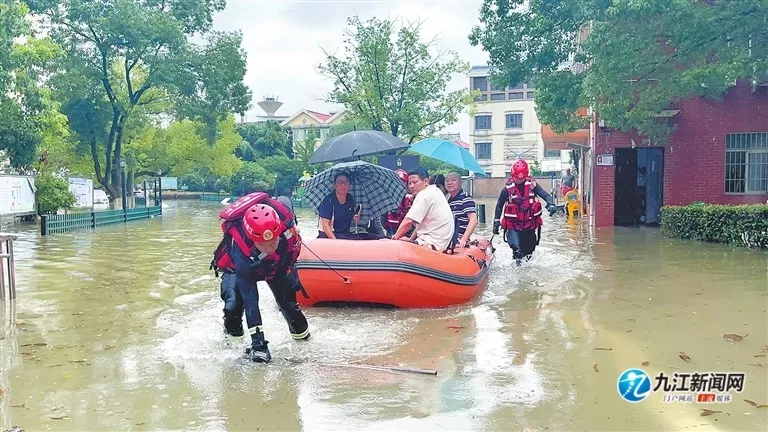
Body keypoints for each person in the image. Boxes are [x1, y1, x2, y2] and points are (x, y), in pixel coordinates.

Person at [211, 192, 310, 363]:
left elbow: (285, 201)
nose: (270, 248)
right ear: (252, 240)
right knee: (233, 306)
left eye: (273, 242)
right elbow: (251, 301)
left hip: (277, 265)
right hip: (242, 267)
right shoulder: (240, 248)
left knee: (290, 307)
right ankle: (232, 349)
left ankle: (305, 342)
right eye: (263, 245)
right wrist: (258, 345)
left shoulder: (287, 229)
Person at [493, 160, 557, 266]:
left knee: (528, 254)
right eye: (517, 178)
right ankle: (517, 271)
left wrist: (550, 204)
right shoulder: (507, 190)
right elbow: (499, 205)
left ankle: (526, 273)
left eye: (522, 178)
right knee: (518, 251)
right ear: (513, 176)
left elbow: (545, 195)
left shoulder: (533, 186)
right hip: (513, 226)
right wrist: (496, 222)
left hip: (529, 225)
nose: (520, 180)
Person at [392, 167, 455, 252]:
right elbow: (419, 225)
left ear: (426, 181)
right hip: (440, 243)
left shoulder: (424, 194)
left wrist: (395, 238)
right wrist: (411, 239)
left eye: (415, 182)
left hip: (431, 244)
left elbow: (408, 221)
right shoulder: (435, 191)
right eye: (409, 183)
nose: (411, 186)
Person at [317, 172, 360, 240]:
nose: (343, 185)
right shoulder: (328, 201)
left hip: (344, 234)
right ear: (334, 185)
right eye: (339, 182)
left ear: (349, 185)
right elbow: (325, 226)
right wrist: (336, 242)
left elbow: (352, 216)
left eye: (346, 182)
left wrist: (355, 217)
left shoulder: (350, 198)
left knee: (370, 237)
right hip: (329, 235)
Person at [444, 172, 478, 248]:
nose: (449, 183)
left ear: (461, 182)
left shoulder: (465, 198)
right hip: (447, 237)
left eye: (453, 180)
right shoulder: (447, 200)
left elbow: (473, 220)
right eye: (447, 180)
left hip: (458, 238)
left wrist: (464, 239)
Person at [383, 169, 414, 237]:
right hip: (390, 229)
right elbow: (382, 215)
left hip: (405, 230)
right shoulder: (387, 197)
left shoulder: (410, 198)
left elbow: (412, 219)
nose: (400, 184)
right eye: (398, 181)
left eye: (403, 182)